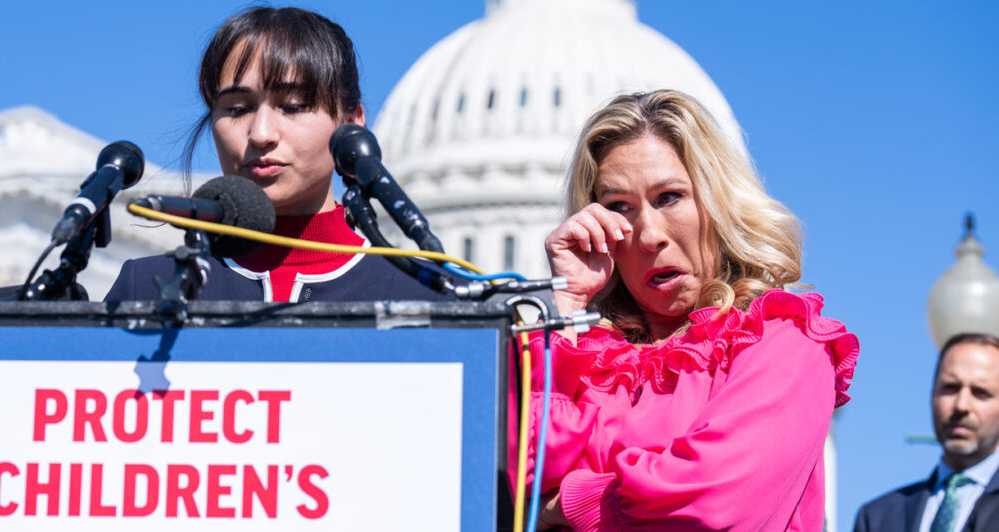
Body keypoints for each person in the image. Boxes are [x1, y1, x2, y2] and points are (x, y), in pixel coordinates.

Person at [509, 89, 859, 531]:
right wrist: (567, 304)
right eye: (619, 208)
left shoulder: (784, 341)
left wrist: (572, 504)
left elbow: (710, 508)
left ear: (717, 202)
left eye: (669, 197)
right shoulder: (588, 357)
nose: (648, 234)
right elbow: (516, 475)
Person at [106, 6, 446, 302]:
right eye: (237, 109)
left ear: (352, 124)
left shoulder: (426, 294)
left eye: (293, 106)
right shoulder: (148, 288)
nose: (261, 134)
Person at [854, 333, 999, 532]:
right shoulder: (877, 518)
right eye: (950, 388)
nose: (961, 405)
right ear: (932, 394)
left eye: (981, 392)